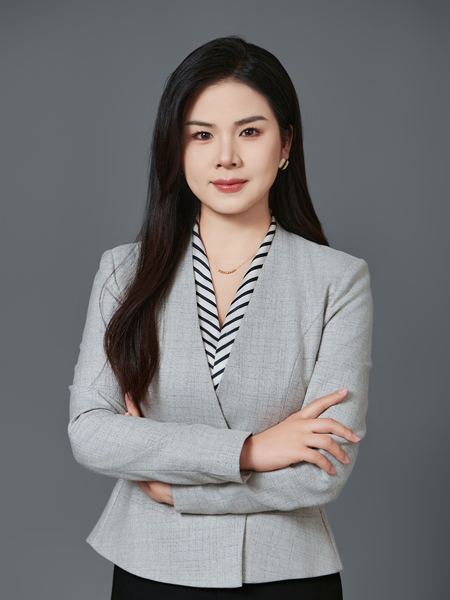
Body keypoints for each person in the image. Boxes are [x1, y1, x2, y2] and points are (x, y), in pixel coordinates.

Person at [68, 36, 373, 599]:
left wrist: (176, 487)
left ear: (285, 144)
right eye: (201, 135)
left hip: (286, 574)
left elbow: (321, 471)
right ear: (176, 148)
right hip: (150, 567)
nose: (225, 157)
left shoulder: (339, 279)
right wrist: (253, 450)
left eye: (249, 132)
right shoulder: (122, 271)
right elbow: (90, 433)